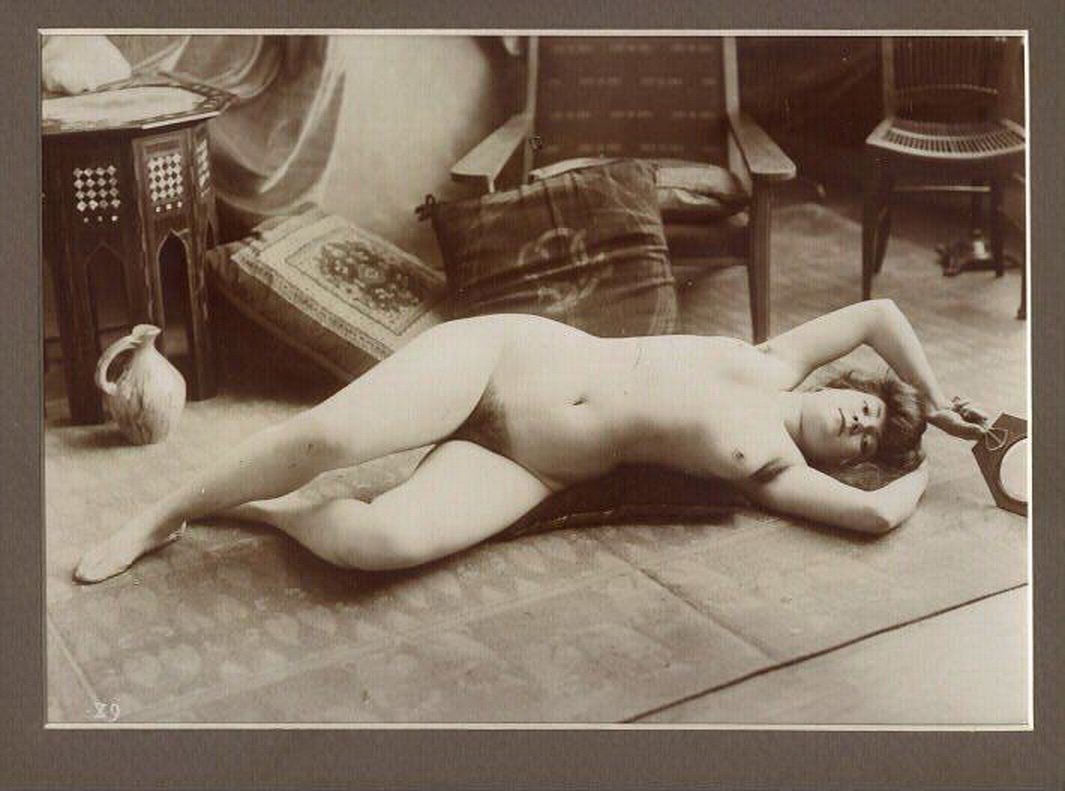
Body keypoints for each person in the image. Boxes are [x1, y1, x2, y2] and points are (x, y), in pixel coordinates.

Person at [74, 299, 990, 584]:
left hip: (530, 464)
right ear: (839, 384)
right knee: (333, 433)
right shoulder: (775, 359)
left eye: (865, 441)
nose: (858, 422)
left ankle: (265, 510)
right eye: (865, 406)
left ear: (844, 462)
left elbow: (875, 516)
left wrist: (924, 461)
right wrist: (937, 401)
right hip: (505, 359)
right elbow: (881, 311)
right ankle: (160, 513)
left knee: (381, 544)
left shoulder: (776, 470)